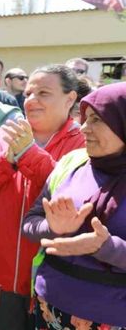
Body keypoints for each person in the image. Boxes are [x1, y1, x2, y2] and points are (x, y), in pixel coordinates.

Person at [0, 64, 85, 329]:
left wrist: (29, 153)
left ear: (70, 98)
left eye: (43, 92)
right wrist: (6, 160)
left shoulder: (83, 141)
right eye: (29, 92)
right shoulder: (3, 135)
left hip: (55, 277)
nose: (32, 100)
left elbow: (72, 194)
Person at [22, 81, 126, 328]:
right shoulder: (74, 162)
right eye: (84, 118)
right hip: (50, 308)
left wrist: (106, 247)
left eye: (97, 119)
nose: (84, 129)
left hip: (112, 317)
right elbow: (30, 223)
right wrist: (52, 226)